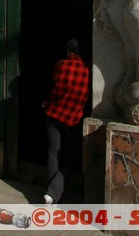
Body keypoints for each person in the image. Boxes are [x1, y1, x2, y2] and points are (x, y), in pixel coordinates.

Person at [42, 38, 90, 204]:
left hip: (53, 114)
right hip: (72, 119)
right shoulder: (87, 70)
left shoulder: (60, 65)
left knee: (53, 153)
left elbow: (55, 90)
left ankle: (51, 195)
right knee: (71, 158)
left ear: (70, 51)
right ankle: (53, 193)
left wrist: (47, 103)